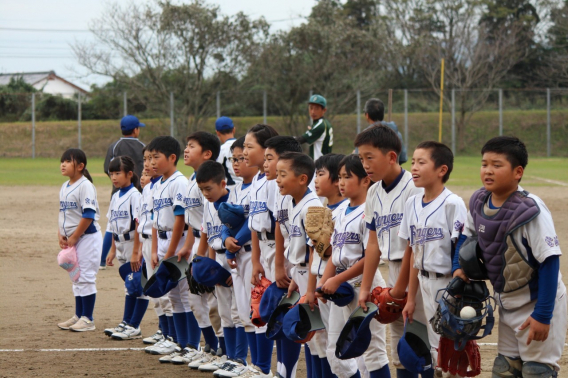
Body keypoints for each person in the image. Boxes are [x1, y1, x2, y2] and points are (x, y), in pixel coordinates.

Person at [452, 136, 567, 378]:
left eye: (497, 164)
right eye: (484, 164)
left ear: (518, 172)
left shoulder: (529, 210)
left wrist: (543, 315)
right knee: (505, 369)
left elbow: (549, 260)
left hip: (538, 302)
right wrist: (457, 267)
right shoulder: (478, 201)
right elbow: (466, 235)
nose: (488, 171)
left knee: (537, 371)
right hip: (506, 301)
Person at [355, 125, 427, 378]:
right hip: (393, 270)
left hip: (417, 270)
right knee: (400, 350)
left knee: (422, 346)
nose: (365, 164)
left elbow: (414, 243)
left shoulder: (413, 187)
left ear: (392, 157)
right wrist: (365, 287)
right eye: (361, 158)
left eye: (369, 157)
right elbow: (372, 243)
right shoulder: (373, 191)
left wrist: (401, 290)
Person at [318, 154, 391, 378]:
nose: (340, 182)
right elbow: (334, 254)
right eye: (339, 177)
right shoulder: (339, 212)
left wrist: (337, 279)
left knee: (372, 353)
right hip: (340, 287)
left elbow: (371, 256)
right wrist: (322, 284)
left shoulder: (368, 213)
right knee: (335, 351)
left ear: (365, 181)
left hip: (363, 284)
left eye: (346, 177)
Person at [400, 141, 467, 378]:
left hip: (447, 285)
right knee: (437, 353)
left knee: (454, 354)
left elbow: (462, 247)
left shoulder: (452, 203)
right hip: (423, 283)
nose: (414, 168)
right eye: (413, 162)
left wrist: (458, 293)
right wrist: (410, 299)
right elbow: (413, 255)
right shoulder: (411, 204)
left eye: (422, 162)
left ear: (442, 170)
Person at [146, 136, 201, 365]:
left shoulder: (178, 182)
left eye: (156, 157)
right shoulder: (158, 183)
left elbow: (180, 219)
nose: (152, 162)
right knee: (174, 297)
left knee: (186, 296)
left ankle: (192, 345)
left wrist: (169, 251)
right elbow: (156, 221)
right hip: (164, 243)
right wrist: (156, 250)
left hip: (177, 246)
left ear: (172, 158)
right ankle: (180, 343)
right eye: (149, 158)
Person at [195, 160, 249, 376]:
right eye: (202, 190)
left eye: (209, 188)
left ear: (222, 183)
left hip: (235, 259)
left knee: (238, 312)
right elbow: (210, 237)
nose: (206, 193)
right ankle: (227, 356)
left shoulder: (235, 199)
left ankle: (239, 358)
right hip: (218, 259)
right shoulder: (208, 205)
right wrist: (210, 269)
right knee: (224, 312)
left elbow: (240, 232)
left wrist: (228, 263)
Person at [174, 131, 223, 367]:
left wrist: (203, 256)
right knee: (196, 299)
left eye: (191, 146)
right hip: (199, 245)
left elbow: (208, 223)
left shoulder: (208, 183)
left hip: (210, 247)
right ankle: (211, 346)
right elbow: (193, 222)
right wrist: (188, 247)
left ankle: (222, 349)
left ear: (207, 154)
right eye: (186, 145)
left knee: (213, 302)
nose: (186, 150)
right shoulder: (191, 181)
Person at [275, 152, 323, 378]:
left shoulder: (312, 206)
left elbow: (315, 252)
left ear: (302, 179)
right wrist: (296, 277)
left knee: (320, 338)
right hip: (301, 273)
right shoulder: (294, 203)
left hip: (312, 274)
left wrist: (310, 288)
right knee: (311, 341)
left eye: (283, 174)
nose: (277, 179)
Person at [264, 136, 306, 378]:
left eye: (271, 159)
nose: (266, 164)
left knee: (294, 317)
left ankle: (286, 371)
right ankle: (283, 370)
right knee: (281, 314)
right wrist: (279, 264)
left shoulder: (302, 194)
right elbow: (280, 227)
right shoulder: (278, 189)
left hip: (301, 260)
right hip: (286, 259)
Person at [244, 123, 280, 378]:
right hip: (262, 248)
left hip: (277, 248)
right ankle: (259, 366)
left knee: (270, 307)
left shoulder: (272, 182)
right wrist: (256, 260)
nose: (244, 151)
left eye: (249, 146)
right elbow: (254, 226)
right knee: (257, 305)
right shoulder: (257, 179)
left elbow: (278, 223)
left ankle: (264, 368)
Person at [101, 156, 149, 341]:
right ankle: (126, 322)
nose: (113, 177)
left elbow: (138, 224)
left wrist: (137, 251)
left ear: (130, 174)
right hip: (120, 243)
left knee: (138, 285)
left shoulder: (135, 196)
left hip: (132, 244)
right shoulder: (116, 195)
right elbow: (112, 225)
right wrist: (112, 250)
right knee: (129, 286)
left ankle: (134, 325)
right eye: (111, 173)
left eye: (118, 173)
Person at [310, 153, 348, 376]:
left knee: (338, 344)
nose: (316, 179)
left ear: (336, 181)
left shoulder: (343, 210)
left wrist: (321, 242)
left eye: (321, 174)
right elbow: (314, 254)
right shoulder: (322, 211)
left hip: (337, 285)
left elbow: (334, 253)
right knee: (321, 340)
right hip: (320, 282)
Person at [57, 148, 102, 332]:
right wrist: (60, 233)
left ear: (80, 166)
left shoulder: (85, 185)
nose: (63, 164)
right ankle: (78, 315)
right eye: (62, 161)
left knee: (86, 277)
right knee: (76, 278)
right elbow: (63, 212)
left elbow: (89, 214)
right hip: (74, 239)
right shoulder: (65, 186)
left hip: (87, 238)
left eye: (68, 161)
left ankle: (88, 319)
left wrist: (74, 237)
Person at [137, 149, 175, 349]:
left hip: (162, 241)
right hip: (150, 243)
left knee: (168, 295)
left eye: (152, 159)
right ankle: (164, 332)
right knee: (156, 293)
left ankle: (170, 336)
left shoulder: (167, 185)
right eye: (145, 160)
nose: (147, 164)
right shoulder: (149, 188)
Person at [101, 115, 146, 269]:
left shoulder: (114, 146)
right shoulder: (142, 146)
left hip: (119, 191)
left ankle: (101, 260)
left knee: (113, 224)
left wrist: (115, 180)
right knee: (124, 223)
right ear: (135, 130)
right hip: (141, 188)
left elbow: (107, 167)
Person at [354, 98, 407, 165]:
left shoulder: (364, 137)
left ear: (367, 115)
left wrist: (355, 154)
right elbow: (403, 158)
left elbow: (357, 162)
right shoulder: (396, 133)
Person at [296, 94, 333, 160]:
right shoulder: (324, 123)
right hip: (324, 163)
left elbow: (300, 140)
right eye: (311, 108)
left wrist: (283, 141)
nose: (313, 112)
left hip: (320, 164)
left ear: (324, 110)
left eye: (316, 108)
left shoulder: (321, 125)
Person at [215, 116, 242, 191]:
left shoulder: (220, 150)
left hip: (231, 189)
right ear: (234, 129)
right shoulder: (244, 145)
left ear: (217, 132)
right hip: (248, 186)